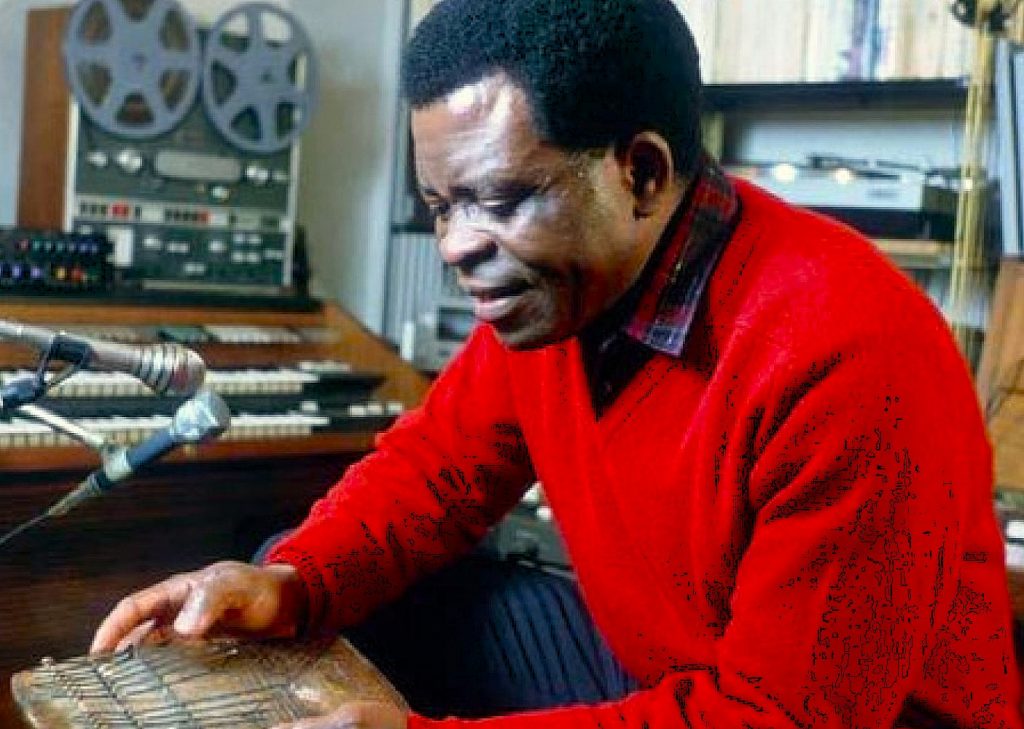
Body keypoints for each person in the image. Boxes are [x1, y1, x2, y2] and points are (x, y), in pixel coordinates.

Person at [91, 0, 1023, 727]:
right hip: (670, 668)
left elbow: (780, 717)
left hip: (820, 715)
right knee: (303, 581)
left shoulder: (844, 351)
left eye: (500, 200)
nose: (457, 245)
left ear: (642, 173)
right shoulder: (557, 299)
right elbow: (437, 471)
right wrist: (295, 582)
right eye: (441, 204)